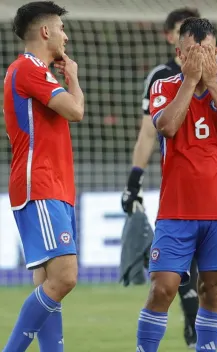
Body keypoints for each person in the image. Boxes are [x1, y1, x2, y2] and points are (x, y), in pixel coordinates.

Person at [122, 7, 217, 348]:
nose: (200, 60)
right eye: (192, 54)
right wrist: (190, 80)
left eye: (207, 53)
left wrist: (212, 81)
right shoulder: (164, 85)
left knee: (213, 290)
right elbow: (167, 126)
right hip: (177, 209)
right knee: (162, 286)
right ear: (179, 53)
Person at [2, 2, 84, 351]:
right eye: (61, 28)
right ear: (46, 31)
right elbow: (76, 111)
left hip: (56, 187)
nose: (66, 35)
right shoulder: (27, 68)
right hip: (40, 185)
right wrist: (75, 80)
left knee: (49, 282)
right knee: (64, 277)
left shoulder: (38, 72)